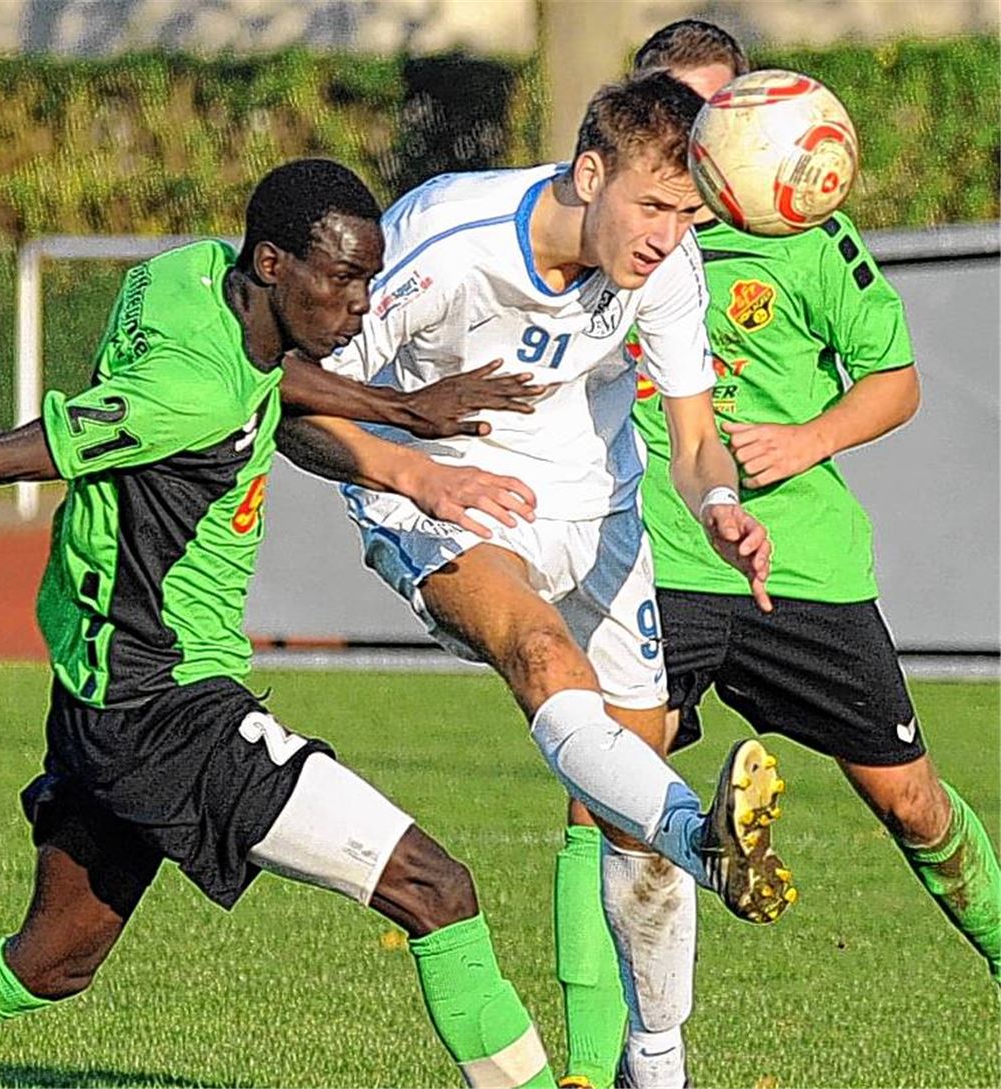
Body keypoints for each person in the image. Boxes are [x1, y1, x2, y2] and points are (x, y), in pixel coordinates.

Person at [0, 158, 561, 1088]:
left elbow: (270, 378)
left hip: (99, 686)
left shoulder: (187, 275)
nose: (364, 305)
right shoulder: (188, 391)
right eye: (344, 279)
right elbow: (27, 450)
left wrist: (400, 416)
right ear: (275, 263)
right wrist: (399, 430)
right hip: (165, 704)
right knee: (436, 889)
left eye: (370, 279)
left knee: (51, 963)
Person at [281, 71, 798, 1087]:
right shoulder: (441, 242)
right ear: (589, 170)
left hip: (599, 510)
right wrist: (415, 469)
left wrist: (720, 507)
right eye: (651, 207)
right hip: (437, 502)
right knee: (539, 654)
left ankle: (657, 1065)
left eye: (685, 213)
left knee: (625, 806)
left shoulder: (669, 263)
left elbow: (695, 438)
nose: (664, 235)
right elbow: (294, 399)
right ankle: (709, 843)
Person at [557, 19, 1001, 1088]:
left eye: (713, 115)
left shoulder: (811, 240)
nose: (693, 137)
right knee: (600, 796)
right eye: (673, 114)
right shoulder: (618, 229)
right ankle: (591, 1067)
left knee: (910, 801)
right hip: (654, 550)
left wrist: (805, 440)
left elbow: (895, 383)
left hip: (799, 565)